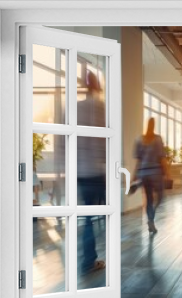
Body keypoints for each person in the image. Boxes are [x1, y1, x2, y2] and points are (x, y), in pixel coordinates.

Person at [77, 70, 106, 274]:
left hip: (80, 172)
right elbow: (103, 141)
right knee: (105, 213)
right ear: (97, 88)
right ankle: (90, 260)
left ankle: (88, 259)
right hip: (96, 171)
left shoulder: (75, 109)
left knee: (88, 217)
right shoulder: (100, 108)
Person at [133, 117, 171, 233]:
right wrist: (168, 173)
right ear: (153, 125)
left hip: (143, 173)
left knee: (149, 199)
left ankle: (151, 220)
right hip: (155, 173)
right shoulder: (158, 139)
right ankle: (151, 217)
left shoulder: (139, 139)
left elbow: (138, 161)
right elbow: (162, 158)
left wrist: (134, 176)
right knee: (160, 197)